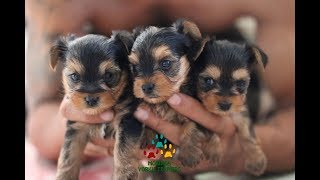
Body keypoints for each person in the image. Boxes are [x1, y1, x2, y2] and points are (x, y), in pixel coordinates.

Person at [26, 0, 294, 178]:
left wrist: (237, 150)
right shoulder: (56, 4)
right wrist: (87, 128)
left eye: (166, 64)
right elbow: (41, 116)